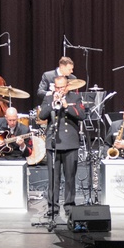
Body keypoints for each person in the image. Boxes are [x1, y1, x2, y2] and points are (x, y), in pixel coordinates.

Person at [38, 76, 85, 218]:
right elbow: (42, 115)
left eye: (62, 87)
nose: (60, 90)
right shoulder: (48, 98)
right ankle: (53, 207)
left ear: (67, 86)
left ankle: (70, 206)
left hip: (70, 143)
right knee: (53, 178)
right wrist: (53, 103)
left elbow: (82, 115)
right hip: (54, 143)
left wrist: (66, 106)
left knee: (70, 177)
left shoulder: (75, 98)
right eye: (57, 87)